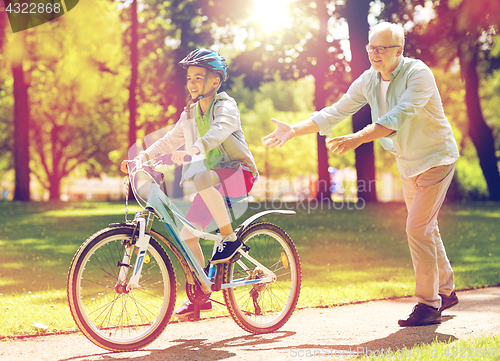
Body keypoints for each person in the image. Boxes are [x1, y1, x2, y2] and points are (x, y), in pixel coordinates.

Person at [263, 22, 459, 327]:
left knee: (418, 228)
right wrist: (295, 129)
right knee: (425, 228)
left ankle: (429, 304)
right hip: (408, 162)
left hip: (436, 159)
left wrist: (356, 138)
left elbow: (397, 117)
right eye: (371, 47)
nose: (375, 54)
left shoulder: (418, 74)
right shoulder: (368, 80)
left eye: (382, 48)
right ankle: (445, 291)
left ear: (399, 51)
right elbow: (336, 111)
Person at [121, 48, 258, 318]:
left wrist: (194, 149)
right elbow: (171, 139)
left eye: (198, 77)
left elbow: (220, 131)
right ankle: (201, 297)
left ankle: (229, 239)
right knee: (188, 235)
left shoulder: (225, 105)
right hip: (212, 183)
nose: (192, 83)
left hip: (239, 174)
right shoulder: (191, 113)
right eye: (189, 78)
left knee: (200, 177)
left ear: (215, 81)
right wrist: (143, 156)